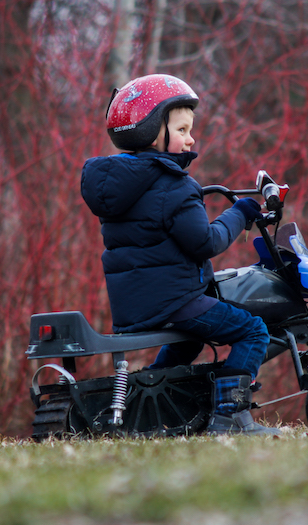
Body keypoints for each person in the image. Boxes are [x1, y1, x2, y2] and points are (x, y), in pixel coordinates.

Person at [81, 74, 280, 436]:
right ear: (154, 132)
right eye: (183, 129)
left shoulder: (120, 184)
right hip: (175, 299)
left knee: (188, 342)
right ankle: (231, 416)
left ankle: (147, 402)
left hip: (135, 304)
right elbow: (206, 243)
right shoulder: (173, 185)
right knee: (253, 331)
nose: (191, 139)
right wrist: (243, 211)